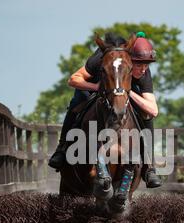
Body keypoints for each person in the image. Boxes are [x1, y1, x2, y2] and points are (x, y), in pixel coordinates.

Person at [48, 32, 162, 188]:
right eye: (139, 64)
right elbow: (73, 79)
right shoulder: (98, 59)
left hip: (123, 89)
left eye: (146, 65)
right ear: (130, 59)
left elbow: (153, 109)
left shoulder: (144, 73)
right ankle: (62, 148)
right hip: (97, 86)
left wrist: (127, 91)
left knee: (147, 115)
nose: (143, 69)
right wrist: (96, 87)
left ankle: (149, 166)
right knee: (77, 101)